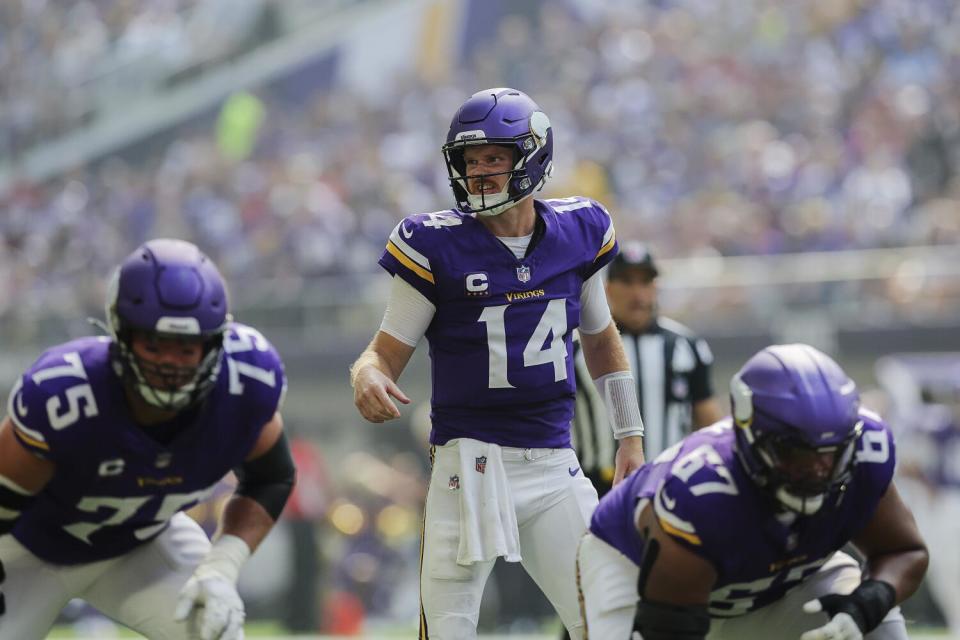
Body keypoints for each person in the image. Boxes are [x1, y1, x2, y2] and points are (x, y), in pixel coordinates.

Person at [349, 87, 646, 639]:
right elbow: (383, 352)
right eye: (470, 160)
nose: (480, 172)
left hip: (555, 465)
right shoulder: (436, 244)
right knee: (448, 630)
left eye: (494, 158)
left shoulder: (579, 232)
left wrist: (630, 435)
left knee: (611, 623)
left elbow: (602, 340)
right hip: (471, 466)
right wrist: (367, 375)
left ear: (531, 157)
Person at [0, 239, 296, 640]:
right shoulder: (66, 393)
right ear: (121, 333)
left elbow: (271, 477)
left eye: (187, 347)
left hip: (139, 544)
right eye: (155, 345)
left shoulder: (245, 382)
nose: (171, 362)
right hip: (29, 551)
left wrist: (221, 568)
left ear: (213, 343)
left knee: (214, 629)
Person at [578, 343, 928, 640]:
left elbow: (905, 551)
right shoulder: (702, 493)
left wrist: (866, 605)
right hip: (636, 570)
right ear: (749, 438)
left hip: (776, 579)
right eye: (796, 453)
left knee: (878, 626)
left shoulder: (867, 450)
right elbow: (671, 627)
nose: (818, 469)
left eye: (831, 453)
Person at [571, 241, 723, 497]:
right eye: (627, 282)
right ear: (607, 288)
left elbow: (709, 423)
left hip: (670, 488)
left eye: (645, 282)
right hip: (598, 489)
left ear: (656, 287)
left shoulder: (685, 345)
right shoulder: (576, 347)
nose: (637, 293)